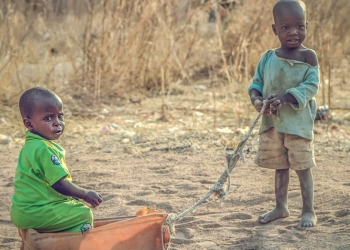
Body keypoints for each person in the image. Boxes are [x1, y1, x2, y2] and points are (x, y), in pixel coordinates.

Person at [248, 0, 319, 228]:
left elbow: (312, 85)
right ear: (274, 29)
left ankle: (308, 211)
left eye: (299, 26)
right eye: (285, 27)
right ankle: (281, 207)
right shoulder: (268, 57)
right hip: (274, 124)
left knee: (302, 166)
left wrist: (287, 97)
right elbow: (256, 83)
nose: (293, 32)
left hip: (298, 124)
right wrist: (257, 100)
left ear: (306, 25)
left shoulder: (309, 57)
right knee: (280, 166)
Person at [10, 87, 103, 233]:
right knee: (83, 213)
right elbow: (59, 183)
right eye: (48, 118)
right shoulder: (44, 149)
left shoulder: (32, 145)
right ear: (29, 124)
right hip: (37, 212)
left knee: (71, 204)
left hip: (23, 210)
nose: (57, 122)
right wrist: (84, 194)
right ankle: (74, 241)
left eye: (60, 116)